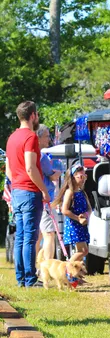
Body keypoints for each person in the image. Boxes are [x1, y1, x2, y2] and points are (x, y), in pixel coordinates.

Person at [5, 101, 49, 287]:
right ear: (32, 116)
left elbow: (8, 170)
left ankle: (21, 279)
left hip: (16, 191)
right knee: (30, 238)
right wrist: (44, 190)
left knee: (21, 237)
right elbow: (31, 168)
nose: (37, 118)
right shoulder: (30, 137)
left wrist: (17, 182)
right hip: (30, 192)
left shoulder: (11, 138)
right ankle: (30, 280)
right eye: (36, 114)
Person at [52, 164, 91, 263]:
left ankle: (74, 274)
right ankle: (67, 269)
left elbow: (89, 208)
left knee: (81, 251)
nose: (83, 179)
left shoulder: (82, 192)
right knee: (83, 251)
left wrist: (85, 215)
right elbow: (64, 210)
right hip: (74, 225)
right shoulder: (70, 192)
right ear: (73, 178)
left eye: (85, 177)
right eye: (81, 177)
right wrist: (78, 218)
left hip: (82, 225)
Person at [36, 125, 61, 261]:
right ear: (38, 138)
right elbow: (51, 175)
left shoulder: (29, 155)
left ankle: (33, 268)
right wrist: (57, 172)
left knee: (37, 235)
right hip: (46, 199)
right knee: (49, 234)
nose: (49, 139)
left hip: (34, 198)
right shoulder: (42, 157)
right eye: (46, 136)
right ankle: (47, 267)